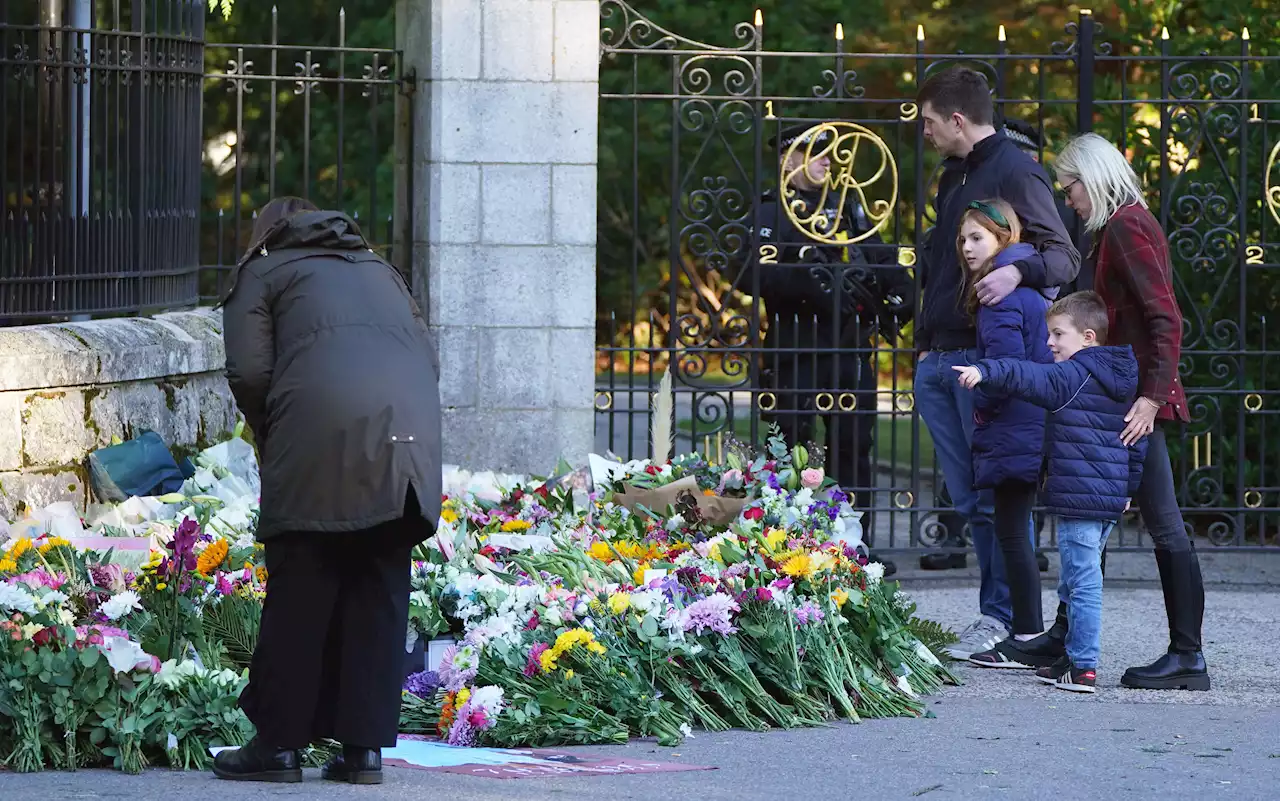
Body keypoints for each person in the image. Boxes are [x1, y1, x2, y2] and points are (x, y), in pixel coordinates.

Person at [213, 197, 444, 783]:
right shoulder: (381, 270)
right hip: (406, 443)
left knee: (302, 588)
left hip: (314, 434)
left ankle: (279, 747)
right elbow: (428, 357)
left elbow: (248, 370)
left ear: (267, 234)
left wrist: (277, 432)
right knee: (379, 587)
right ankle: (363, 753)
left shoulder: (261, 272)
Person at [913, 66, 1080, 658]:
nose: (925, 132)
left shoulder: (1015, 169)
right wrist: (924, 346)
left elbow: (1063, 257)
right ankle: (998, 617)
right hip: (939, 359)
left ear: (956, 119)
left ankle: (1002, 620)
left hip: (983, 361)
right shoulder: (953, 174)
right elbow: (940, 266)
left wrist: (1015, 269)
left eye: (929, 121)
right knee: (966, 503)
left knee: (991, 502)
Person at [1054, 133, 1211, 691]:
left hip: (1139, 403)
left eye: (1070, 186)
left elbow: (1166, 317)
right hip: (1130, 398)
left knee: (1162, 524)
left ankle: (1188, 657)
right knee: (1098, 507)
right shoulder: (1120, 227)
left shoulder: (1126, 226)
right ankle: (1067, 638)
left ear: (1090, 178)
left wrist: (1149, 397)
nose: (1068, 199)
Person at [954, 291, 1146, 693]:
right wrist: (1130, 486)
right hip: (1108, 499)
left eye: (1058, 334)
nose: (1050, 343)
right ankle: (1070, 658)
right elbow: (1137, 438)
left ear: (1089, 336)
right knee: (1073, 580)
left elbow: (1027, 375)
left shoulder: (1074, 376)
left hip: (1081, 498)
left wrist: (984, 371)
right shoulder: (1123, 378)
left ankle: (1084, 668)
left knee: (1082, 581)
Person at [748, 122, 915, 575]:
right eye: (815, 153)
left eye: (830, 153)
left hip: (850, 348)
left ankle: (855, 544)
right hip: (796, 347)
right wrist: (814, 284)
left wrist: (902, 289)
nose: (827, 161)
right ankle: (789, 543)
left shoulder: (850, 208)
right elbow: (750, 275)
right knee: (791, 447)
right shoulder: (771, 212)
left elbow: (879, 255)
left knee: (853, 447)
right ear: (789, 159)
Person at [944, 199, 1055, 666]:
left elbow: (1006, 367)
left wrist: (981, 399)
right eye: (964, 239)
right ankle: (1030, 632)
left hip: (1015, 424)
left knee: (1012, 531)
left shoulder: (998, 295)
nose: (968, 248)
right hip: (1030, 420)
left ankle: (1027, 634)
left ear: (1004, 238)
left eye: (978, 238)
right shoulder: (1025, 286)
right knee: (1016, 528)